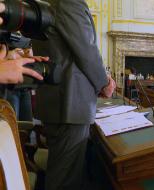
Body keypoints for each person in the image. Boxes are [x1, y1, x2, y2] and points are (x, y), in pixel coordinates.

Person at [8, 0, 116, 189]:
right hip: (70, 104)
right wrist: (104, 83)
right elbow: (86, 51)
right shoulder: (69, 2)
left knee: (62, 173)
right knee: (66, 181)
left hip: (62, 102)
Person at [5, 48, 35, 121]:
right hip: (7, 85)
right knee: (11, 124)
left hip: (24, 84)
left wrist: (28, 53)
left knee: (27, 125)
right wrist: (7, 55)